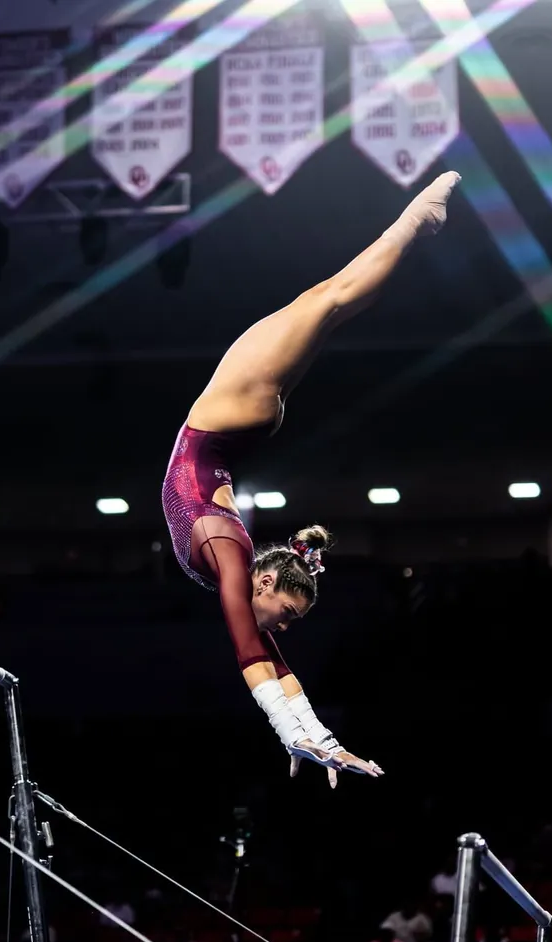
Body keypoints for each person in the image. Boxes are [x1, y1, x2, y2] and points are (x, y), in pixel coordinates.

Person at [162, 171, 462, 784]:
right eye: (290, 613)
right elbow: (269, 657)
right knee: (329, 302)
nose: (287, 626)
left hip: (226, 416)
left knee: (330, 300)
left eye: (289, 614)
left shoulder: (229, 559)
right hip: (230, 419)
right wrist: (309, 737)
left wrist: (305, 736)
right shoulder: (236, 562)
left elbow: (252, 651)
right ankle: (414, 225)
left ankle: (414, 221)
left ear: (264, 578)